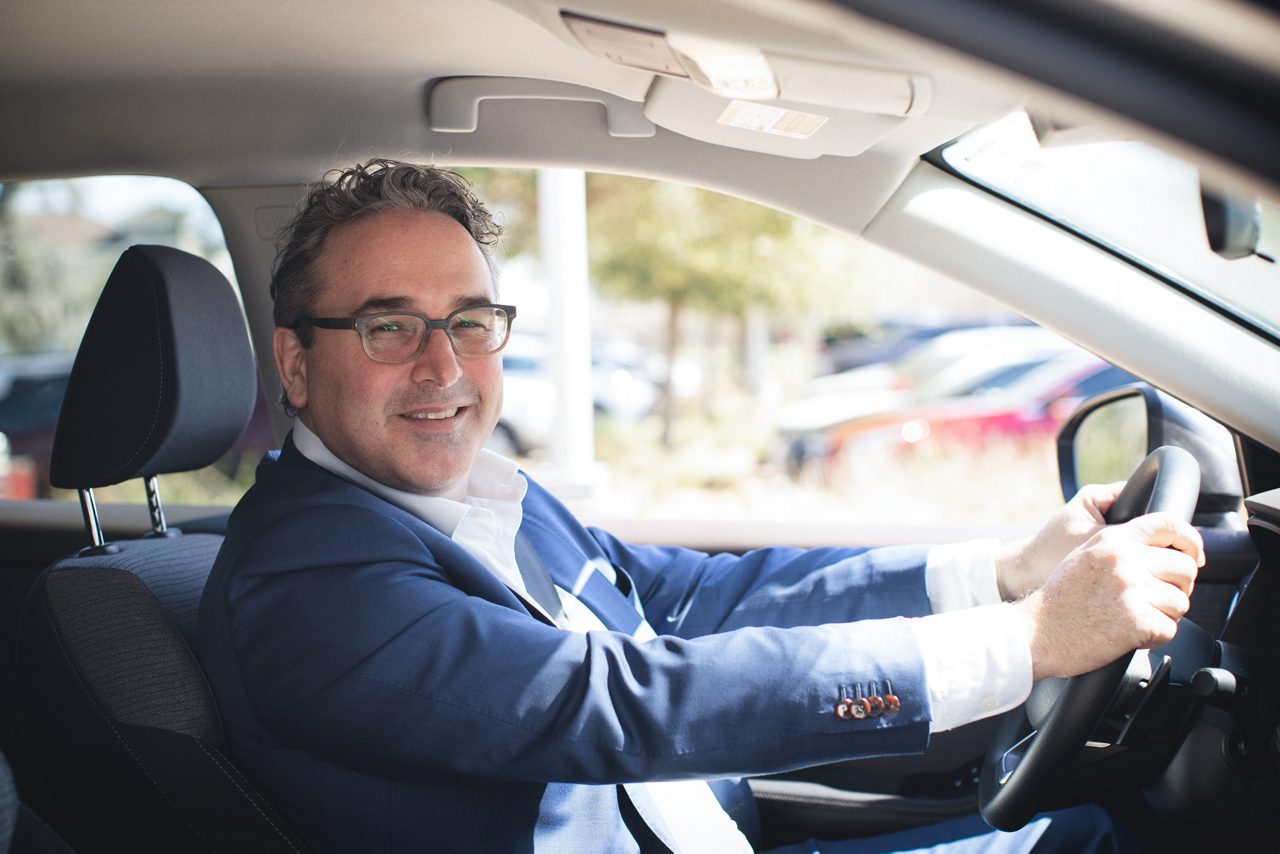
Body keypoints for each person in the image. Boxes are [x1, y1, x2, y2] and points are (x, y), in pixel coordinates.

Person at [198, 159, 1203, 853]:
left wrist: (999, 571)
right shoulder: (310, 572)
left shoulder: (480, 496)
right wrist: (1020, 640)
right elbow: (616, 697)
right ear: (295, 361)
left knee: (1075, 832)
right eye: (389, 327)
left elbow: (692, 599)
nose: (443, 365)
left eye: (469, 321)